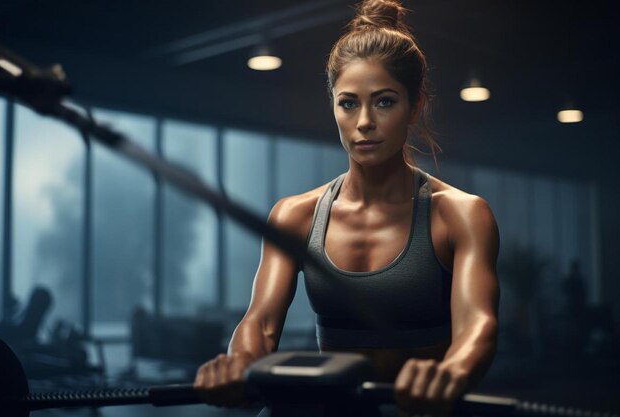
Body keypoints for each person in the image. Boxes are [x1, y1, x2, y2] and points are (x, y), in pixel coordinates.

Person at [194, 0, 500, 415]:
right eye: (348, 103)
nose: (364, 122)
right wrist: (240, 364)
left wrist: (454, 371)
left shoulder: (461, 214)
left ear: (416, 105)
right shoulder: (296, 215)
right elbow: (261, 323)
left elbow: (477, 325)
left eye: (385, 102)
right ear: (334, 106)